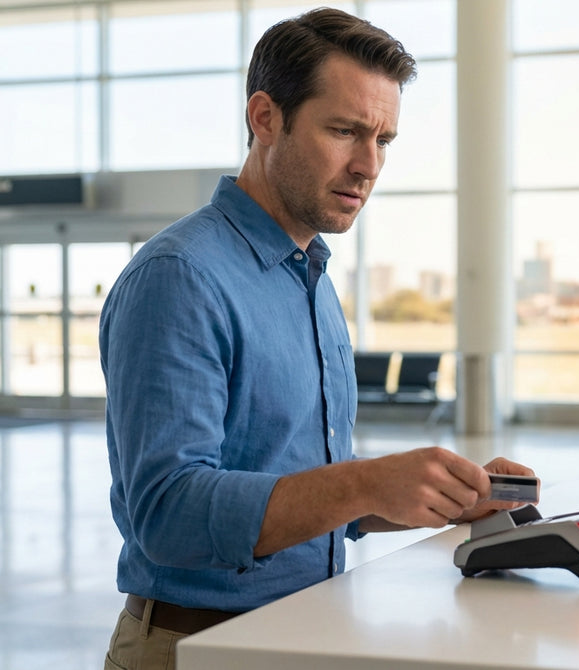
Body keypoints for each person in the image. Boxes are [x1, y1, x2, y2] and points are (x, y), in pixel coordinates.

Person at [101, 8, 536, 669]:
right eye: (345, 131)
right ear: (265, 117)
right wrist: (363, 484)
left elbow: (309, 494)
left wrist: (431, 495)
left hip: (305, 634)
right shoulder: (180, 277)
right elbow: (167, 513)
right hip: (197, 648)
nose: (369, 166)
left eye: (385, 140)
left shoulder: (309, 274)